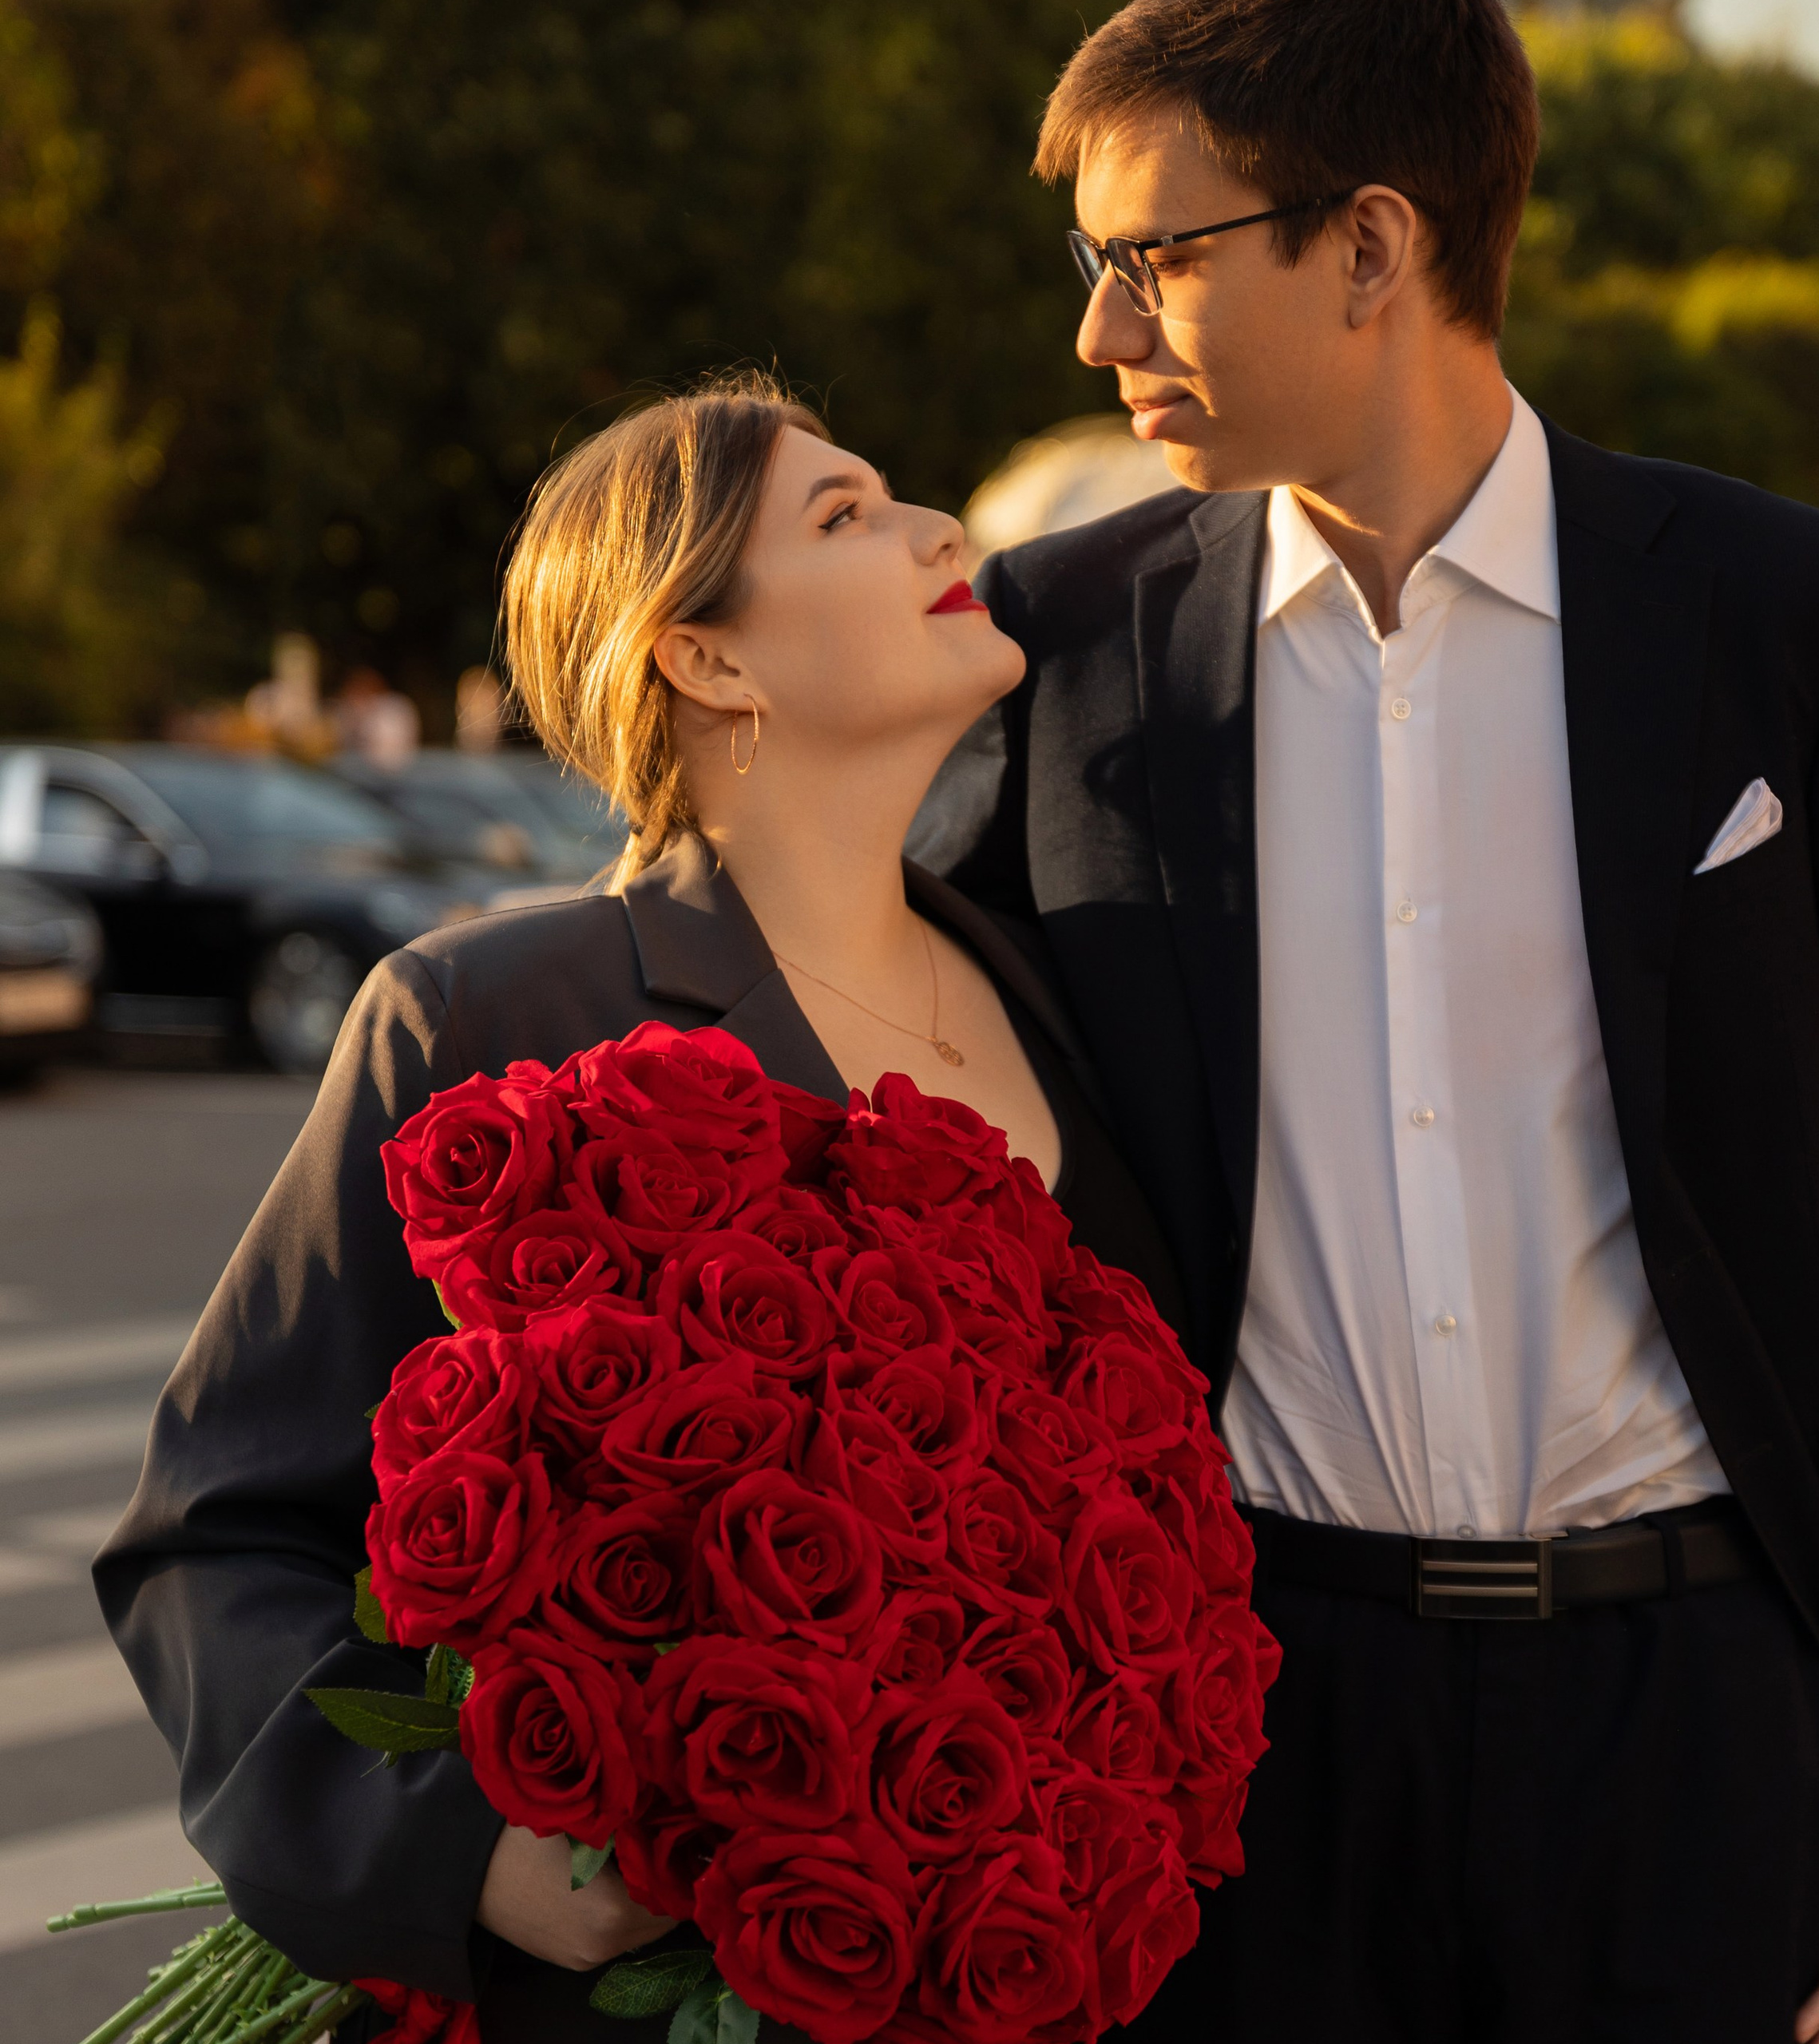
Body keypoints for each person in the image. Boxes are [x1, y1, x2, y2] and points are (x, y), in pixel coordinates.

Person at [909, 3, 1819, 2040]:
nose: (1099, 334)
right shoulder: (1061, 644)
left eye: (1152, 259)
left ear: (1368, 245)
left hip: (1684, 1728)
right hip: (1246, 1723)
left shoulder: (1781, 609)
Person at [94, 374, 1189, 2043]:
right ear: (707, 655)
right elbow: (220, 1531)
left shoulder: (1051, 984)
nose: (939, 530)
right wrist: (466, 1851)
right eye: (845, 515)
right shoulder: (492, 1011)